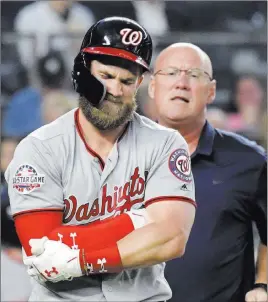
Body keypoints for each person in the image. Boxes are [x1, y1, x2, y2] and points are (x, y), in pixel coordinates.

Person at [5, 17, 196, 301]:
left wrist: (82, 260)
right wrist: (137, 222)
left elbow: (171, 238)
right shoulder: (39, 149)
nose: (116, 91)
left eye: (127, 81)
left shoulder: (164, 143)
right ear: (82, 73)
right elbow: (41, 251)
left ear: (140, 83)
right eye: (105, 76)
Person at [149, 42, 267, 302]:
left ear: (211, 92)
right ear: (152, 87)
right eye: (170, 73)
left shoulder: (249, 161)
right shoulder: (120, 156)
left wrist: (263, 284)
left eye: (193, 74)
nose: (181, 82)